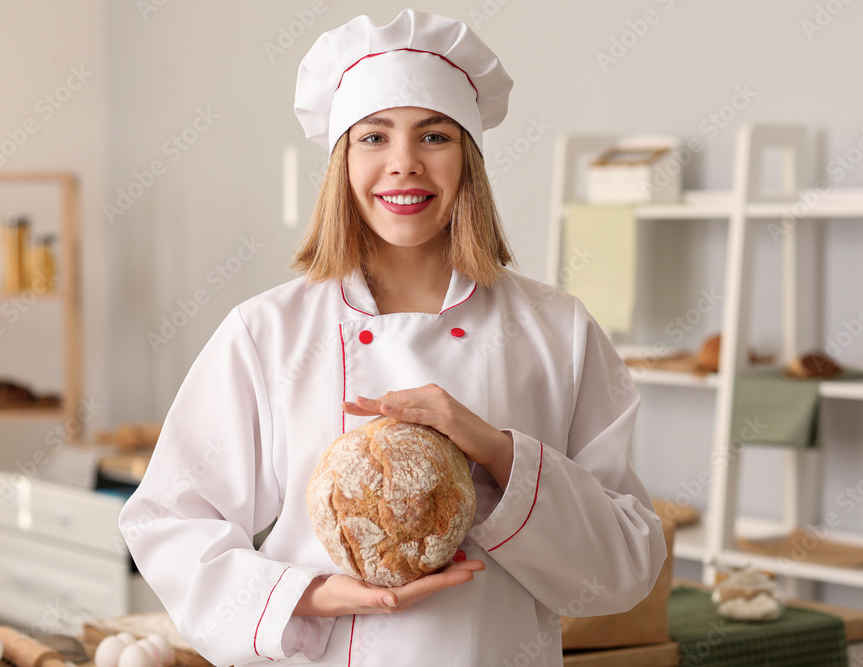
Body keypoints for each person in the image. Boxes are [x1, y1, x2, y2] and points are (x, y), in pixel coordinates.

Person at [118, 9, 666, 666]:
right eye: (373, 137)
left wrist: (494, 453)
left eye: (433, 135)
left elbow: (628, 562)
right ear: (341, 162)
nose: (403, 165)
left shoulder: (557, 330)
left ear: (470, 158)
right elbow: (168, 520)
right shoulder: (269, 332)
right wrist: (313, 594)